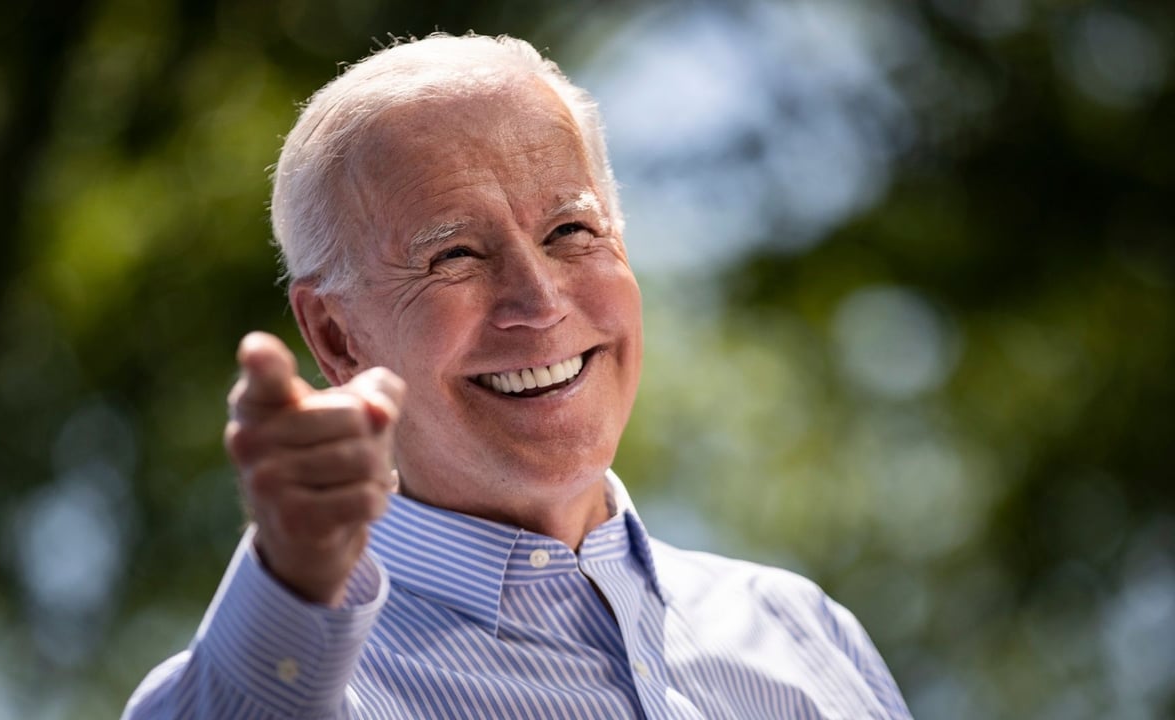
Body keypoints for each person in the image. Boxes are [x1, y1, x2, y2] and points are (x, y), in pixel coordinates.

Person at [124, 33, 913, 719]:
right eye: (454, 256)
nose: (538, 302)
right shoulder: (301, 685)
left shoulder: (803, 630)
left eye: (571, 231)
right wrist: (291, 575)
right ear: (336, 335)